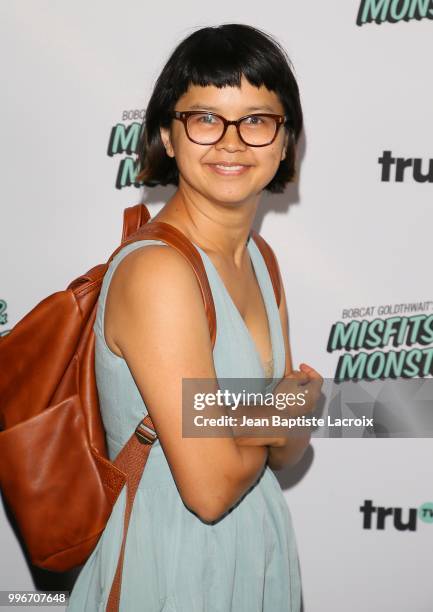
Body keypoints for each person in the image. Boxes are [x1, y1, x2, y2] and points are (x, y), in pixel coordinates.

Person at [67, 23, 323, 612]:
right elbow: (207, 490)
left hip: (256, 556)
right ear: (168, 136)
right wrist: (282, 405)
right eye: (205, 118)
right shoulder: (159, 273)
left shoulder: (261, 260)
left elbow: (286, 452)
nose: (232, 142)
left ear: (285, 142)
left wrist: (278, 416)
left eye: (257, 120)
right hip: (172, 568)